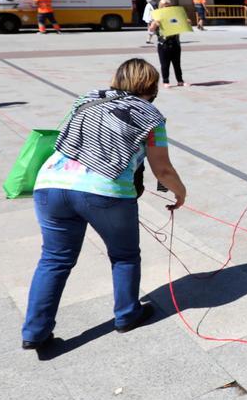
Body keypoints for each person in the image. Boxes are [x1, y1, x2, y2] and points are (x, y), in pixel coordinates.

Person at [21, 58, 187, 349]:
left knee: (54, 260)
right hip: (104, 192)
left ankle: (34, 332)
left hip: (51, 184)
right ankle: (126, 314)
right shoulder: (151, 116)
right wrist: (180, 192)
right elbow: (163, 170)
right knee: (124, 256)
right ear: (152, 86)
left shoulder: (87, 99)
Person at [147, 0, 184, 87]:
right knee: (165, 64)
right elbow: (151, 30)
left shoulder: (173, 15)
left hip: (175, 42)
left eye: (168, 6)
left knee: (177, 64)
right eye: (165, 6)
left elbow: (180, 25)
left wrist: (185, 22)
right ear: (161, 7)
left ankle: (180, 81)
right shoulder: (156, 17)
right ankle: (166, 81)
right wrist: (155, 23)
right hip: (163, 44)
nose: (167, 8)